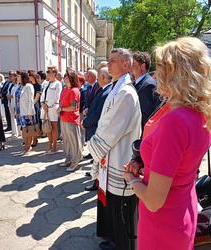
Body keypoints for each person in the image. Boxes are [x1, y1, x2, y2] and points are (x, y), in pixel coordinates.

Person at [123, 37, 211, 250]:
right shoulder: (197, 112)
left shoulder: (175, 120)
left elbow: (153, 200)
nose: (155, 74)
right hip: (182, 208)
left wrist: (132, 180)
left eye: (160, 68)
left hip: (162, 222)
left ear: (177, 74)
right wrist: (146, 170)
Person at [88, 48, 141, 250]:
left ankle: (123, 245)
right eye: (108, 61)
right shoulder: (116, 87)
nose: (108, 64)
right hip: (111, 156)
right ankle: (113, 239)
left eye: (112, 61)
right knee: (110, 203)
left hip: (119, 158)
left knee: (120, 208)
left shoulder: (126, 92)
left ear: (126, 65)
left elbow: (112, 129)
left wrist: (92, 146)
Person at [82, 67, 112, 192]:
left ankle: (97, 183)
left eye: (99, 76)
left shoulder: (107, 91)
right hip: (95, 129)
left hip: (96, 130)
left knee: (99, 160)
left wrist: (85, 123)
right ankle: (97, 181)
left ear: (104, 77)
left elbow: (97, 115)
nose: (97, 78)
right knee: (97, 160)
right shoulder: (105, 89)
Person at [58, 69, 82, 171]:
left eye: (67, 76)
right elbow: (61, 102)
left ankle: (75, 161)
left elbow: (74, 107)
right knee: (66, 141)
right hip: (63, 118)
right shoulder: (64, 89)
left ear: (72, 78)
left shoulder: (74, 90)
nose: (65, 78)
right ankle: (69, 158)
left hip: (72, 119)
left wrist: (62, 109)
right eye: (64, 76)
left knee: (74, 142)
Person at [131, 52, 160, 129]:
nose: (130, 67)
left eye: (133, 64)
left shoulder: (148, 85)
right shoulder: (135, 83)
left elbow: (146, 115)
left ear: (143, 66)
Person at [40, 66, 62, 152]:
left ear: (54, 73)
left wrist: (48, 105)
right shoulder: (46, 83)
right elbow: (42, 95)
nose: (48, 73)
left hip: (52, 108)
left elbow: (57, 96)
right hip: (45, 108)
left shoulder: (58, 84)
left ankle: (54, 146)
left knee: (53, 127)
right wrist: (43, 104)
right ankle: (49, 144)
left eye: (49, 72)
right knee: (47, 127)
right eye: (47, 72)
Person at [18, 71, 37, 154]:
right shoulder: (21, 86)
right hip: (22, 112)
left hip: (28, 112)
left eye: (18, 76)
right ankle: (26, 146)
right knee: (24, 130)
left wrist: (29, 112)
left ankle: (28, 147)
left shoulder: (29, 86)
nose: (17, 77)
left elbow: (30, 100)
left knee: (28, 130)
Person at [29, 71, 42, 147]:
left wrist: (31, 104)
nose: (29, 77)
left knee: (35, 123)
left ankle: (35, 139)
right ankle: (30, 138)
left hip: (35, 105)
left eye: (30, 76)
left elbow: (37, 98)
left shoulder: (38, 86)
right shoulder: (29, 85)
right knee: (30, 124)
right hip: (29, 106)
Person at [7, 72, 20, 137]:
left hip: (16, 103)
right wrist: (8, 96)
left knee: (17, 118)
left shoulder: (18, 85)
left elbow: (18, 93)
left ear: (15, 77)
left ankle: (18, 132)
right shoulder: (10, 84)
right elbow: (8, 92)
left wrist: (12, 96)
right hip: (10, 103)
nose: (10, 77)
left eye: (11, 76)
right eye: (9, 76)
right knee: (12, 118)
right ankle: (14, 132)